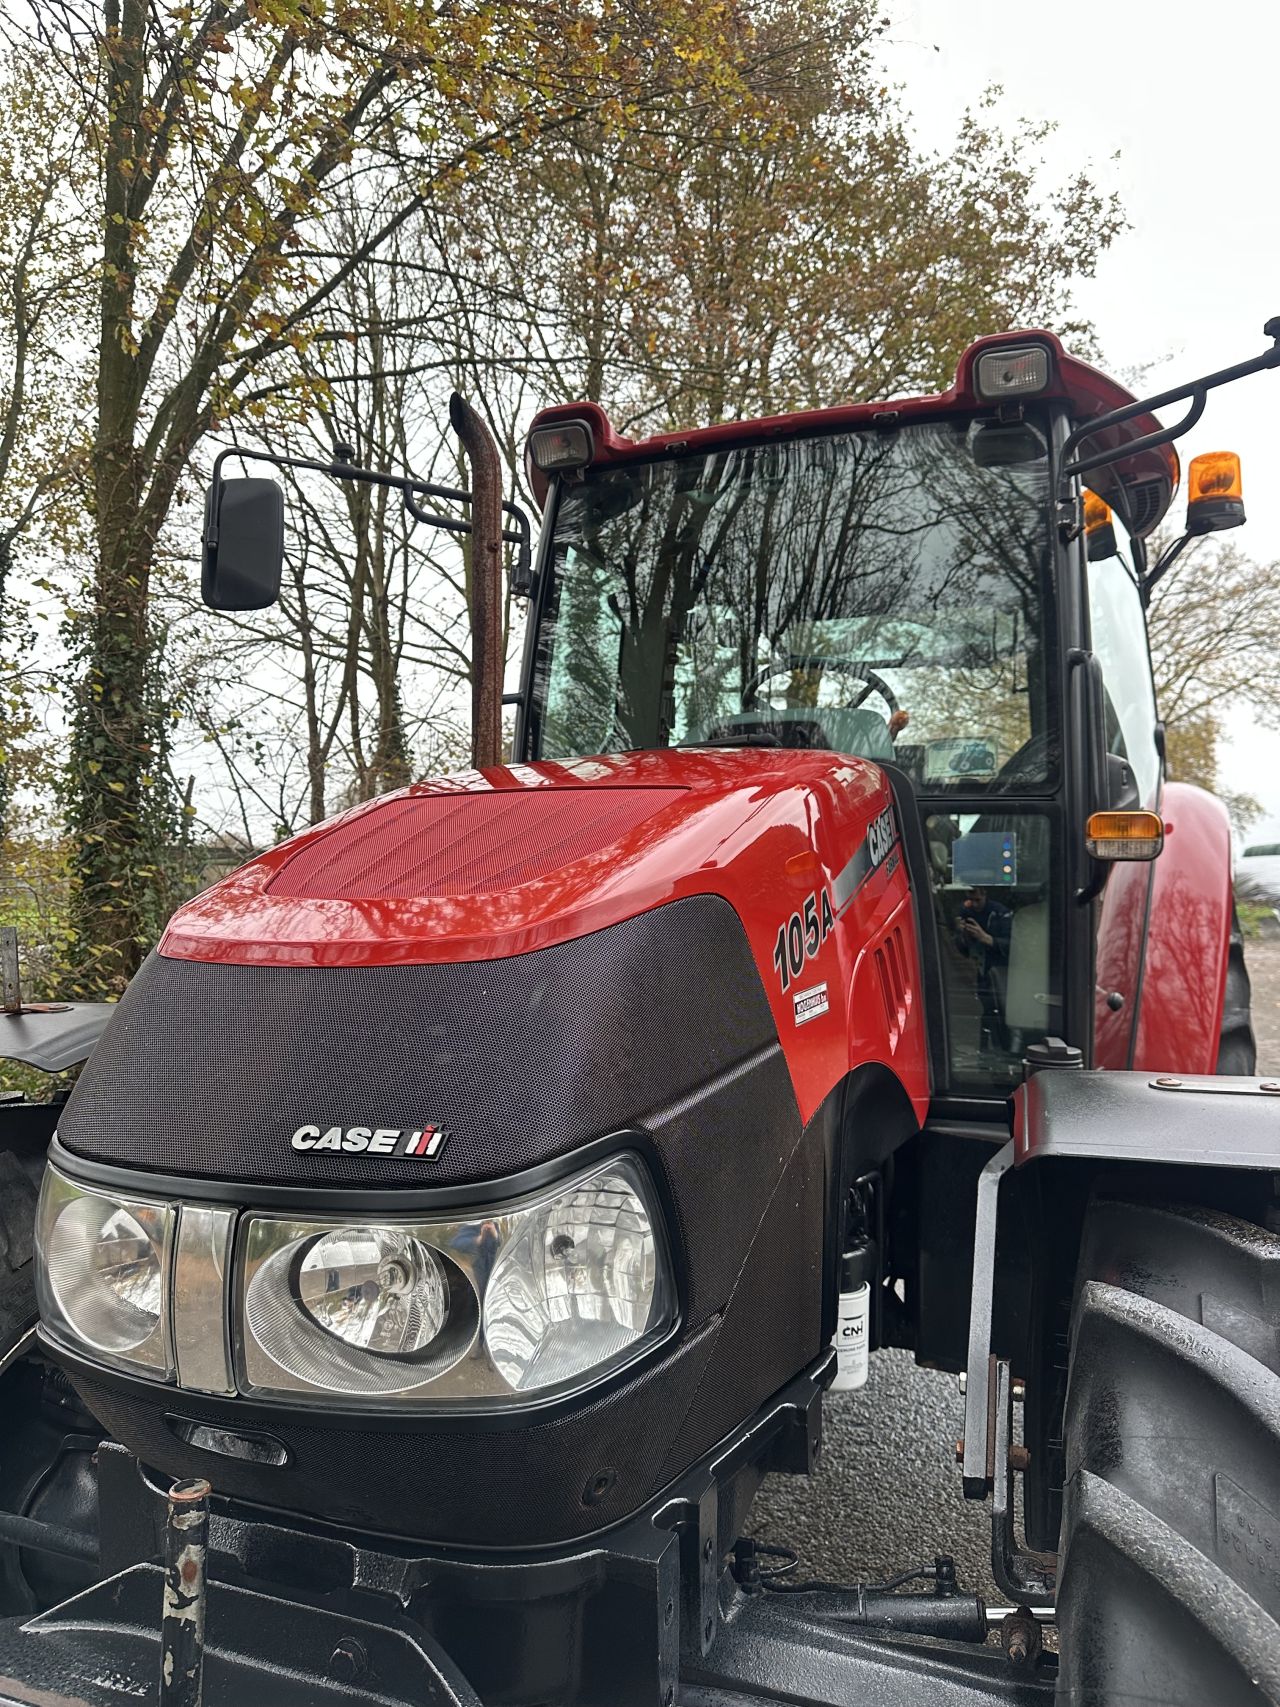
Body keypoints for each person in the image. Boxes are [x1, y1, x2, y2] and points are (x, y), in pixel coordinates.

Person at [955, 886, 1012, 1055]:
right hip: (977, 971)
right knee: (983, 1012)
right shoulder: (965, 912)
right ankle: (984, 1048)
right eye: (971, 900)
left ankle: (1003, 1048)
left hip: (1000, 972)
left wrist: (986, 938)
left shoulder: (1000, 913)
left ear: (985, 894)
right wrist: (962, 935)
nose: (974, 904)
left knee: (1000, 1013)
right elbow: (961, 949)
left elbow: (1015, 946)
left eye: (977, 900)